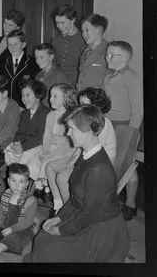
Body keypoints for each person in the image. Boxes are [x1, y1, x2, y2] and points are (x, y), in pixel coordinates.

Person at [24, 105, 130, 263]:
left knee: (48, 249)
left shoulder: (98, 169)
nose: (68, 133)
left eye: (71, 129)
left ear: (87, 131)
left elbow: (89, 214)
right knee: (44, 237)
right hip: (84, 216)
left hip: (101, 231)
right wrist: (59, 218)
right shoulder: (86, 155)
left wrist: (61, 231)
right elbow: (75, 198)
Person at [51, 87, 117, 211]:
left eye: (84, 104)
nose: (79, 107)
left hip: (100, 164)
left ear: (96, 106)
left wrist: (74, 165)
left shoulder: (103, 123)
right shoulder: (86, 121)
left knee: (62, 177)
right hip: (88, 159)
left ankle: (69, 210)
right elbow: (82, 148)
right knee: (58, 169)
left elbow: (94, 152)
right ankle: (66, 208)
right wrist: (71, 161)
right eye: (80, 103)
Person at [103, 40, 143, 221]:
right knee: (110, 163)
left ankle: (131, 204)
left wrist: (131, 132)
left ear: (125, 57)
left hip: (125, 126)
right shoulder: (108, 75)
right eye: (107, 53)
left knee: (126, 165)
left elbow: (137, 108)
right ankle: (111, 202)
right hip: (108, 125)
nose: (107, 57)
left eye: (112, 55)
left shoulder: (131, 76)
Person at [26, 84, 78, 203]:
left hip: (65, 149)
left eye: (55, 96)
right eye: (50, 96)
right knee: (33, 161)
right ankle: (40, 185)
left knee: (46, 162)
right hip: (50, 147)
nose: (50, 99)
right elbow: (46, 136)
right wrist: (45, 151)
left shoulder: (71, 116)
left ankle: (47, 186)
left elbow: (70, 140)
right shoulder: (50, 115)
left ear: (65, 99)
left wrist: (50, 153)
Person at [4, 79, 50, 167]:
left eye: (27, 95)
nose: (24, 99)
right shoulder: (24, 114)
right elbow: (21, 132)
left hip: (38, 146)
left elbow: (40, 137)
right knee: (8, 153)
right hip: (23, 145)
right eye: (22, 95)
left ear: (38, 96)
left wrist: (23, 148)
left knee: (23, 160)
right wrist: (17, 143)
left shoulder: (46, 114)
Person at [0, 30, 40, 108]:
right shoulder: (2, 63)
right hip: (5, 107)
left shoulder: (33, 64)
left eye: (16, 44)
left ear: (23, 44)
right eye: (10, 44)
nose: (12, 47)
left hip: (25, 107)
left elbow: (36, 89)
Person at [50, 4, 86, 87]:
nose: (59, 26)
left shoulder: (84, 39)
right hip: (58, 83)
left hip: (78, 84)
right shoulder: (55, 41)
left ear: (73, 19)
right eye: (57, 23)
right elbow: (53, 66)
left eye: (63, 22)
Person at [76, 13, 109, 91]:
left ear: (98, 30)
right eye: (83, 31)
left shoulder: (108, 51)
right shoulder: (85, 52)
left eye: (87, 30)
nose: (84, 34)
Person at [34, 43, 69, 108]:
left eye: (41, 57)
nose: (38, 60)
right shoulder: (38, 76)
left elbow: (65, 98)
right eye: (36, 57)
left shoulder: (59, 75)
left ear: (51, 57)